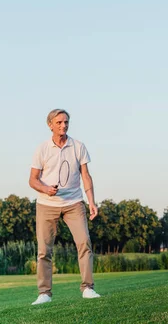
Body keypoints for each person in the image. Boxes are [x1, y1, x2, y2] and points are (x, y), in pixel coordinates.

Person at [29, 109, 101, 304]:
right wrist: (45, 189)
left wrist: (92, 201)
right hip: (46, 205)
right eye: (59, 122)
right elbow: (32, 180)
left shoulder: (78, 146)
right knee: (44, 250)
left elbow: (86, 176)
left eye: (66, 122)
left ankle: (88, 288)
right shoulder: (42, 149)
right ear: (50, 125)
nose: (64, 125)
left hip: (74, 204)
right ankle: (44, 293)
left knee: (84, 242)